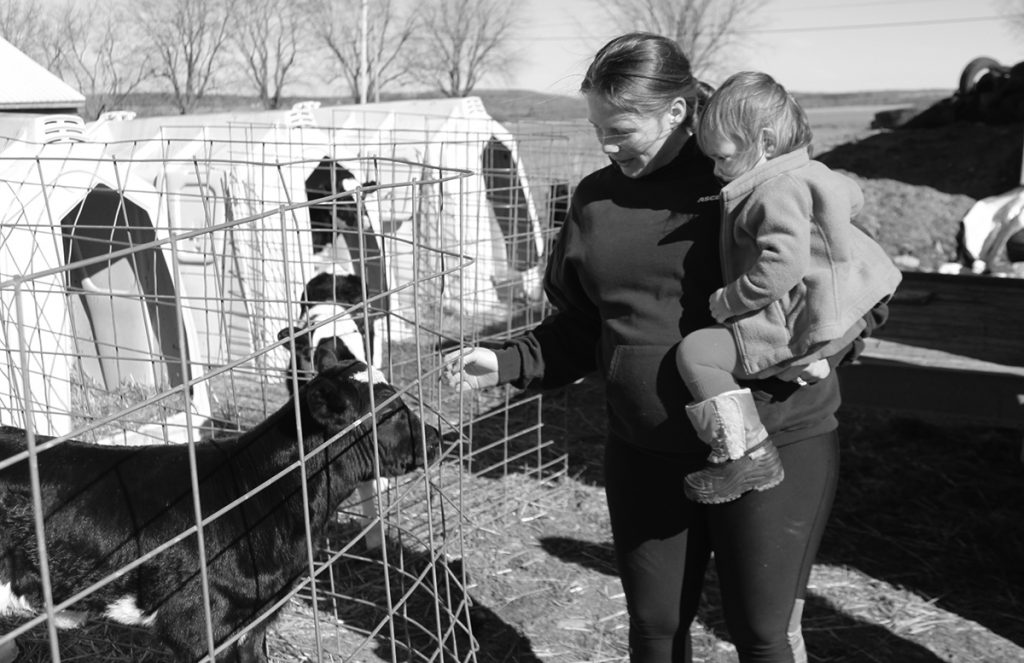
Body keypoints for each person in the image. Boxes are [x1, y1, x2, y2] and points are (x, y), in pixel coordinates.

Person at [443, 32, 888, 663]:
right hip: (645, 451)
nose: (607, 143)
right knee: (654, 630)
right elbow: (580, 326)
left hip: (776, 439)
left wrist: (832, 349)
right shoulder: (595, 201)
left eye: (621, 128)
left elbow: (860, 282)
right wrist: (507, 361)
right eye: (597, 126)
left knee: (761, 635)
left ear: (676, 112)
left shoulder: (752, 179)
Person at [673, 71, 902, 505]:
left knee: (698, 354)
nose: (716, 170)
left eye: (722, 158)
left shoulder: (772, 191)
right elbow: (854, 197)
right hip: (860, 294)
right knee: (799, 360)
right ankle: (815, 359)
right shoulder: (812, 171)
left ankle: (746, 452)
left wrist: (729, 300)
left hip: (806, 312)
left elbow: (783, 264)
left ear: (765, 142)